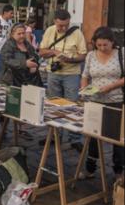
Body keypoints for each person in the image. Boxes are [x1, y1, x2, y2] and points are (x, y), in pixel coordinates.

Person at [79, 26, 124, 179]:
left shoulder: (121, 54)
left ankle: (118, 172)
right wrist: (84, 89)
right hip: (95, 100)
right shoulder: (91, 55)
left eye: (106, 45)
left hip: (116, 100)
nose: (102, 48)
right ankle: (90, 169)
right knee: (93, 136)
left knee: (117, 137)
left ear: (112, 42)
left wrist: (110, 87)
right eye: (99, 45)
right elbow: (85, 75)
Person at [39, 9, 87, 150]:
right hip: (53, 73)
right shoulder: (49, 31)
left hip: (71, 74)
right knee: (54, 106)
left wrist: (70, 59)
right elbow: (42, 52)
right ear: (55, 22)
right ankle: (54, 136)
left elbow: (83, 55)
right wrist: (54, 52)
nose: (64, 28)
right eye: (61, 25)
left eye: (66, 25)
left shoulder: (77, 33)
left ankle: (74, 139)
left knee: (72, 106)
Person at [0, 22, 43, 88]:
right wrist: (24, 64)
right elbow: (7, 60)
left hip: (30, 80)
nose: (22, 36)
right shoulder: (8, 45)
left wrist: (35, 64)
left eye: (23, 33)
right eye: (19, 34)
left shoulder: (27, 44)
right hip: (13, 80)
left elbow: (35, 56)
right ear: (12, 34)